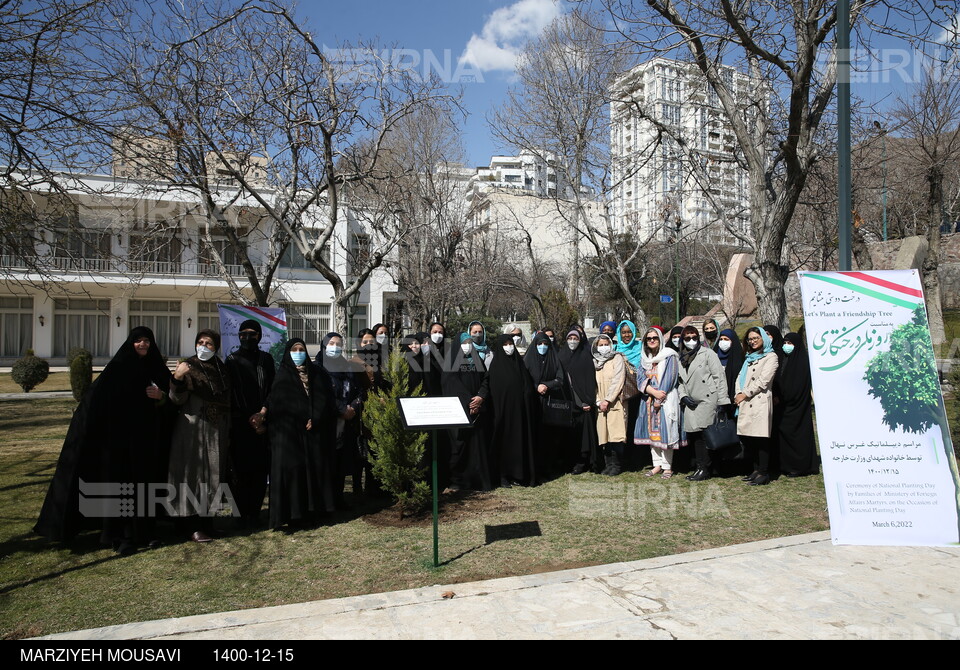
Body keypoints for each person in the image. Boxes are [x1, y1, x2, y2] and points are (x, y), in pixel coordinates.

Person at [34, 326, 173, 554]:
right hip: (118, 441)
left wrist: (162, 397)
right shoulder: (117, 369)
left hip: (146, 441)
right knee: (120, 487)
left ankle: (145, 532)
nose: (143, 344)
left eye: (147, 340)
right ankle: (118, 535)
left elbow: (174, 401)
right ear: (131, 343)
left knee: (145, 485)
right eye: (138, 340)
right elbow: (96, 402)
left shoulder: (156, 368)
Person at [168, 330, 231, 543]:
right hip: (193, 429)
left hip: (215, 430)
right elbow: (176, 399)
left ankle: (207, 523)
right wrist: (177, 378)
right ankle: (191, 525)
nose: (204, 346)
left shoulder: (220, 369)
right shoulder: (188, 367)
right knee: (192, 475)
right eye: (200, 342)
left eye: (209, 343)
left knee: (213, 475)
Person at [267, 339, 336, 530]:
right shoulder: (282, 375)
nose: (298, 353)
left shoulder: (316, 373)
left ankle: (313, 511)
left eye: (302, 349)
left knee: (313, 472)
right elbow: (277, 404)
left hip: (312, 432)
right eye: (294, 350)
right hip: (289, 436)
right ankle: (293, 515)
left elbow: (323, 398)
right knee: (294, 473)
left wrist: (314, 417)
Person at [224, 319, 275, 528]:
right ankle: (241, 513)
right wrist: (249, 417)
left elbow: (272, 389)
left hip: (263, 424)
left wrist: (262, 414)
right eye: (243, 334)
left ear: (259, 336)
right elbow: (232, 392)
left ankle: (254, 512)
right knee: (241, 470)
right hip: (241, 425)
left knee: (260, 469)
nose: (247, 338)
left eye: (252, 334)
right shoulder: (232, 360)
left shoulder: (266, 359)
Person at [476, 334, 539, 487]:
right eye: (505, 344)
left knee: (519, 442)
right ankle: (502, 475)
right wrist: (480, 397)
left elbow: (528, 386)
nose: (509, 346)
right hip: (501, 413)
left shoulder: (519, 364)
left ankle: (518, 474)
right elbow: (487, 384)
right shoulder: (495, 366)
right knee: (502, 443)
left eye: (510, 343)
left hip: (519, 413)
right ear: (499, 346)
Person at [316, 332, 366, 506]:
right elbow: (321, 394)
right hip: (327, 422)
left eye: (339, 344)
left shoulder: (347, 367)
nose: (335, 347)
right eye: (331, 343)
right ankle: (324, 501)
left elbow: (359, 391)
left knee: (340, 461)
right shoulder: (318, 368)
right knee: (326, 462)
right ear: (324, 345)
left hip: (346, 423)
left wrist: (353, 407)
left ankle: (338, 498)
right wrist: (341, 409)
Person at [676, 326, 730, 482]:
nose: (691, 341)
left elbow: (719, 378)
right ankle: (701, 467)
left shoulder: (708, 354)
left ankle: (706, 468)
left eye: (694, 337)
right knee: (695, 436)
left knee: (705, 435)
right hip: (691, 402)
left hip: (707, 399)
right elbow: (680, 381)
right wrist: (683, 396)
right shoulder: (681, 357)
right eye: (687, 338)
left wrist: (722, 400)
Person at [442, 334, 493, 491]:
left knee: (477, 446)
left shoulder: (476, 359)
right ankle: (458, 481)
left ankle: (478, 480)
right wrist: (469, 402)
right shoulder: (450, 362)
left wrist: (480, 397)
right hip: (460, 410)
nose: (467, 345)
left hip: (477, 409)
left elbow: (486, 379)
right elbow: (450, 383)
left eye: (470, 342)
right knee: (460, 446)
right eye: (464, 342)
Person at [633, 327, 683, 479]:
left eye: (655, 337)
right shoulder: (644, 359)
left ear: (660, 339)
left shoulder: (669, 356)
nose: (652, 340)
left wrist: (658, 398)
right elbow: (640, 379)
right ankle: (657, 465)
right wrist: (652, 393)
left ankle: (667, 467)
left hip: (666, 399)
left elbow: (670, 377)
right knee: (652, 435)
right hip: (648, 399)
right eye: (649, 338)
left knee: (666, 432)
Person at [734, 328, 779, 486]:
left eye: (755, 338)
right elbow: (740, 377)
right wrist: (737, 393)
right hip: (745, 401)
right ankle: (755, 469)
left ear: (764, 338)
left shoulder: (771, 357)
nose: (752, 341)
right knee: (750, 439)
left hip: (759, 401)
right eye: (750, 339)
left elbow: (763, 381)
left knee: (761, 439)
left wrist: (744, 394)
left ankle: (764, 472)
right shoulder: (748, 358)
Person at [524, 331, 566, 479]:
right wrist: (536, 386)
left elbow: (560, 379)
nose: (542, 347)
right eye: (540, 344)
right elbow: (524, 378)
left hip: (550, 403)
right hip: (533, 403)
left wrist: (546, 385)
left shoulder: (554, 359)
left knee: (550, 437)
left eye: (545, 344)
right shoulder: (528, 360)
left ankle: (549, 467)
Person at [776, 332, 819, 477]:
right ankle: (787, 465)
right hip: (783, 406)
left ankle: (800, 467)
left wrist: (786, 396)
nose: (786, 346)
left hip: (798, 406)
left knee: (799, 437)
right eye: (785, 343)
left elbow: (799, 385)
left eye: (790, 343)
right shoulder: (782, 359)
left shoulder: (802, 361)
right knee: (785, 437)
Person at [558, 327, 599, 474]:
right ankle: (570, 462)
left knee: (585, 436)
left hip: (583, 404)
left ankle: (584, 462)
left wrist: (587, 400)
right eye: (570, 338)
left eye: (575, 338)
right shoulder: (561, 355)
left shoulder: (585, 356)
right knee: (570, 436)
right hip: (567, 404)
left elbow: (589, 379)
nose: (572, 341)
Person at [593, 334, 626, 476]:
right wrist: (598, 400)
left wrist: (608, 399)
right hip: (600, 404)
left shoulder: (617, 358)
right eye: (600, 345)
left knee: (616, 434)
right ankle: (608, 464)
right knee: (603, 434)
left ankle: (617, 465)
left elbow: (618, 379)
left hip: (615, 401)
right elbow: (592, 383)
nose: (604, 347)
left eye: (606, 344)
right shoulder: (594, 361)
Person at [715, 328, 745, 408]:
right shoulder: (714, 356)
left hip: (733, 399)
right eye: (721, 339)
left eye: (726, 339)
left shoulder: (739, 358)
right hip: (715, 398)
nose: (723, 342)